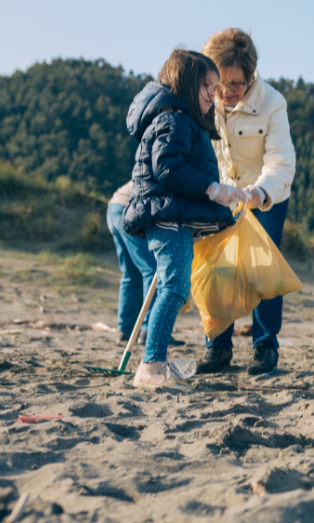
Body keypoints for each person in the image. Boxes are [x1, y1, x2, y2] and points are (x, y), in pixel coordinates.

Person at [123, 49, 250, 390]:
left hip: (173, 216)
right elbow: (168, 168)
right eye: (207, 85)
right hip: (167, 218)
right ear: (185, 83)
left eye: (215, 85)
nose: (214, 93)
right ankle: (151, 368)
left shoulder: (183, 120)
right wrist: (212, 189)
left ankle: (155, 361)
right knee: (175, 288)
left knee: (172, 287)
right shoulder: (174, 119)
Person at [199, 28, 296, 376]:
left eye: (236, 84)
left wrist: (260, 193)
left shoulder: (273, 102)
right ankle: (217, 348)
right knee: (218, 269)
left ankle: (265, 347)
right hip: (221, 196)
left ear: (251, 76)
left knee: (263, 271)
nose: (226, 92)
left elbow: (282, 160)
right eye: (218, 84)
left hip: (265, 197)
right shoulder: (204, 99)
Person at [106, 181, 185, 348]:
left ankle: (125, 331)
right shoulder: (174, 170)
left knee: (131, 274)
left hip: (114, 207)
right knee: (151, 269)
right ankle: (150, 329)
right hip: (128, 209)